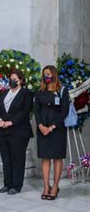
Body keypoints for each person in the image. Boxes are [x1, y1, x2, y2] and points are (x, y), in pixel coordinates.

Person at [34, 65, 70, 200]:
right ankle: (46, 187)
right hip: (42, 129)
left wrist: (52, 127)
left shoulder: (62, 91)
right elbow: (36, 110)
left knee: (57, 158)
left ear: (54, 75)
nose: (46, 77)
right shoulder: (40, 91)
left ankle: (55, 187)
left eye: (48, 74)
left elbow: (64, 111)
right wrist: (40, 125)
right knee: (45, 157)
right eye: (44, 74)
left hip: (57, 130)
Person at [0, 69, 33, 195]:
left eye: (15, 79)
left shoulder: (26, 93)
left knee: (17, 159)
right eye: (11, 79)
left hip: (19, 131)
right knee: (6, 159)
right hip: (3, 130)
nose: (12, 81)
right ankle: (7, 184)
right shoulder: (4, 93)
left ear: (21, 80)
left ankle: (16, 186)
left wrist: (11, 122)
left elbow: (25, 111)